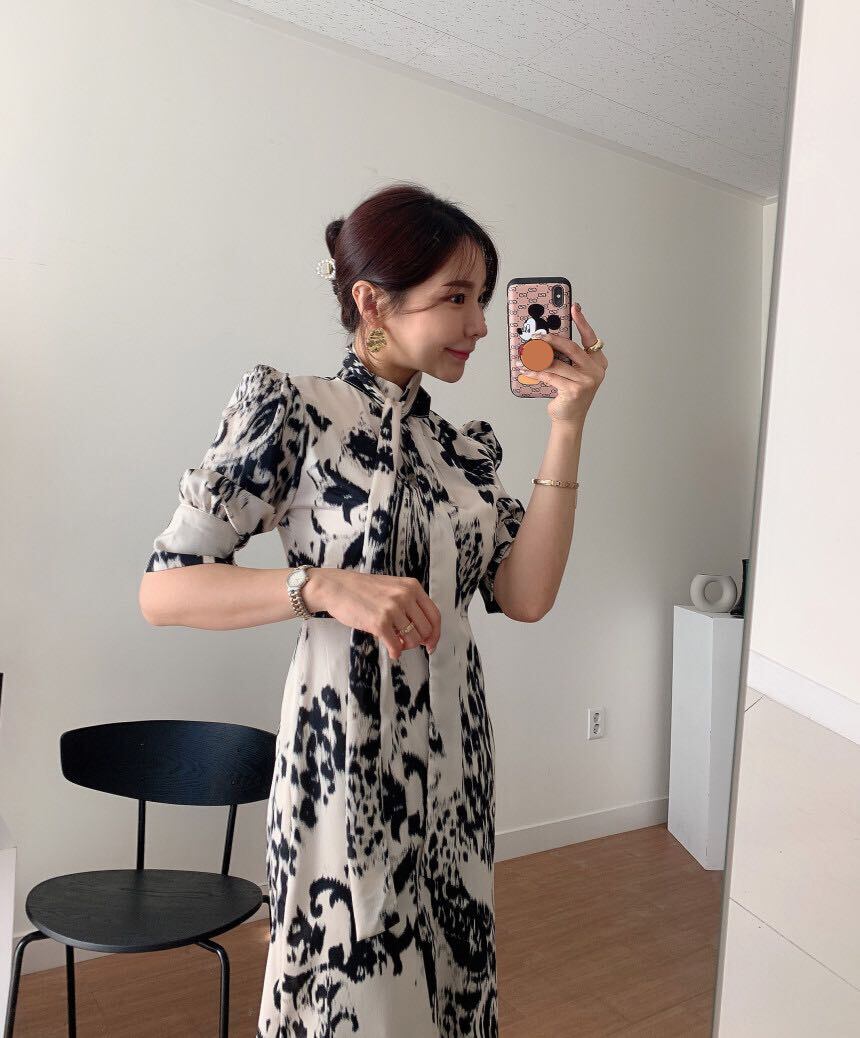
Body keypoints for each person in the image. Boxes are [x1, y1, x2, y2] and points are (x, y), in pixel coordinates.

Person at [138, 182, 607, 1037]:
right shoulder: (293, 411)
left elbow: (525, 595)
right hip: (343, 763)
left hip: (459, 767)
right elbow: (164, 589)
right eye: (456, 297)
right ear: (372, 302)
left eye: (483, 299)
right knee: (351, 999)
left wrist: (567, 426)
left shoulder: (463, 450)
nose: (479, 324)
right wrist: (317, 585)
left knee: (450, 992)